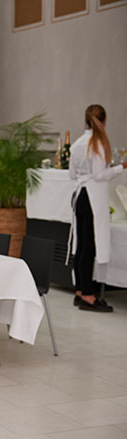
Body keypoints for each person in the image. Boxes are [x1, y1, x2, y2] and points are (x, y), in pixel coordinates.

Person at [70, 104, 126, 312]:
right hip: (93, 196)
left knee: (81, 245)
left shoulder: (77, 144)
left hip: (80, 195)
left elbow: (72, 175)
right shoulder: (98, 144)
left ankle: (79, 291)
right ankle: (88, 295)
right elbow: (99, 175)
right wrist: (121, 167)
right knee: (89, 247)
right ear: (103, 121)